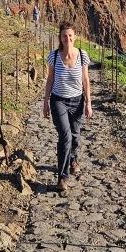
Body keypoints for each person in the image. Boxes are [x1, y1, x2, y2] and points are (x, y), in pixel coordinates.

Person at [43, 21, 93, 192]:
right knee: (65, 136)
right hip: (58, 101)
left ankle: (72, 159)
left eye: (70, 35)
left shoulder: (82, 55)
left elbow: (85, 80)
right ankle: (62, 177)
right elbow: (50, 79)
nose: (67, 38)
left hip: (77, 101)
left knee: (75, 136)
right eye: (64, 35)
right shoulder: (54, 56)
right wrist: (45, 102)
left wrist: (88, 103)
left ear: (75, 37)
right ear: (60, 37)